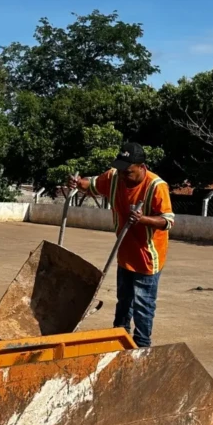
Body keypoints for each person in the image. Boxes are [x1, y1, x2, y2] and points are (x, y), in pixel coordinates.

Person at [69, 141, 174, 347]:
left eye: (129, 172)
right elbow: (92, 186)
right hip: (125, 253)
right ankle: (119, 337)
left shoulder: (156, 186)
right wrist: (77, 182)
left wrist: (143, 219)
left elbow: (167, 221)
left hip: (147, 256)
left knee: (143, 304)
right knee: (124, 300)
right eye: (121, 170)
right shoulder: (114, 177)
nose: (124, 176)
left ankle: (142, 345)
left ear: (142, 168)